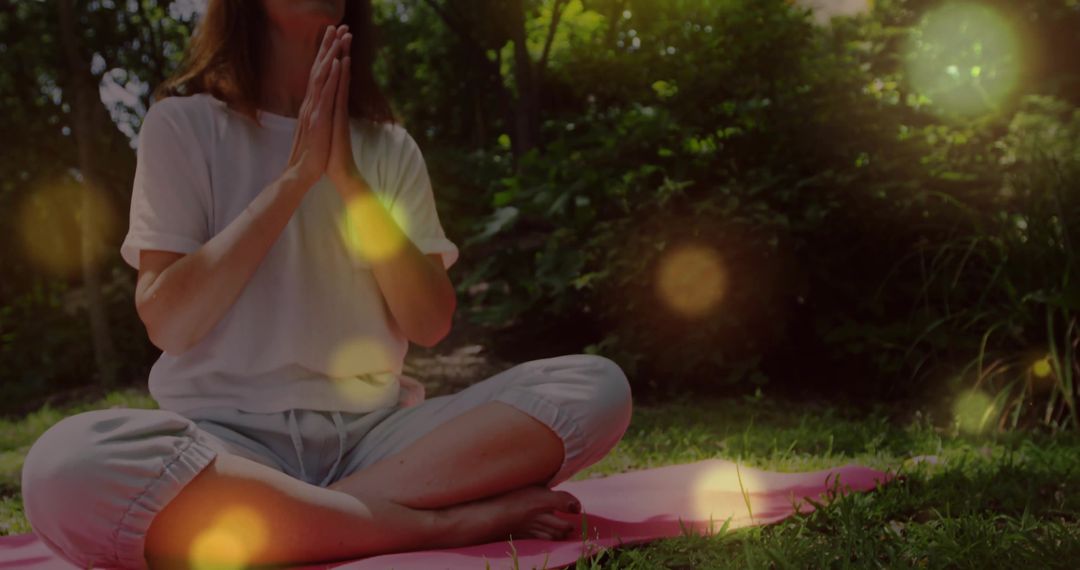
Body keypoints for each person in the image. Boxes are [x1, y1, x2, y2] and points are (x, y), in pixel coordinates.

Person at [19, 1, 633, 568]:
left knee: (596, 386)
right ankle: (428, 526)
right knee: (64, 469)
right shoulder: (181, 126)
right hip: (226, 447)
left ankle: (304, 519)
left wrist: (346, 180)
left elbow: (428, 322)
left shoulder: (389, 146)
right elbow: (169, 321)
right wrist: (295, 180)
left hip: (380, 441)